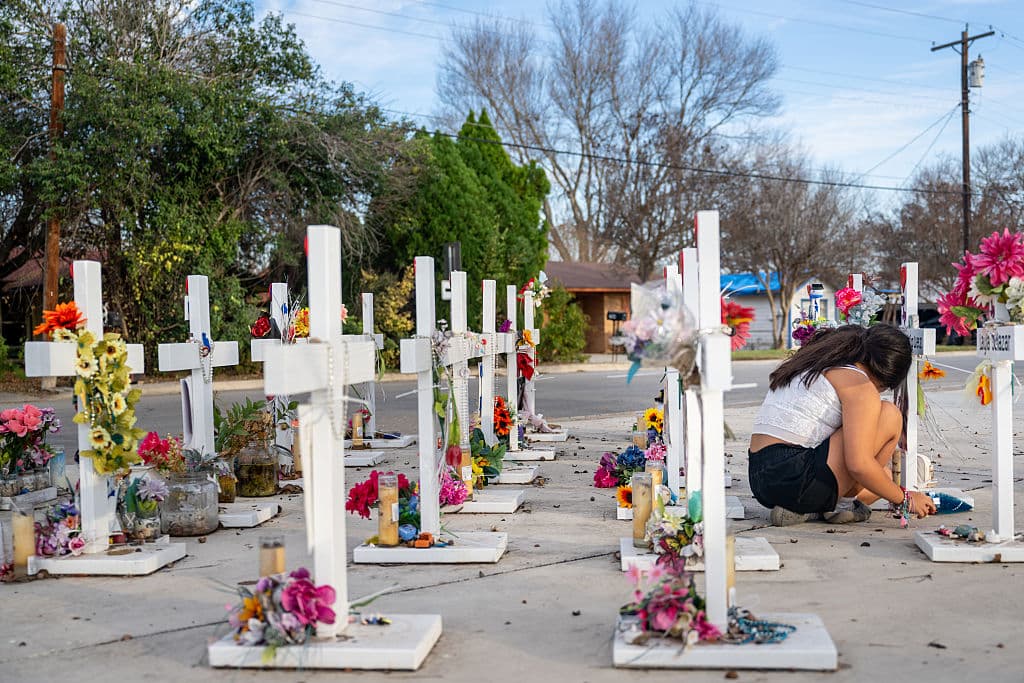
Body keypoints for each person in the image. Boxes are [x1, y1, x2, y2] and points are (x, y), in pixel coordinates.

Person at [748, 324, 937, 526]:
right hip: (795, 478)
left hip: (760, 480)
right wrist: (905, 499)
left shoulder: (817, 365)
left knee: (883, 477)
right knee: (890, 416)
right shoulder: (860, 386)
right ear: (887, 376)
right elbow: (859, 465)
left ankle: (808, 508)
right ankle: (839, 506)